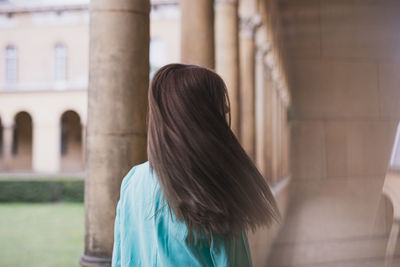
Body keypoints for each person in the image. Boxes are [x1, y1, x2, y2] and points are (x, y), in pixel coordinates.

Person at [111, 63, 280, 267]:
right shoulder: (212, 188)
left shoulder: (132, 181)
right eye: (219, 111)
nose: (225, 115)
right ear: (203, 118)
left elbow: (120, 259)